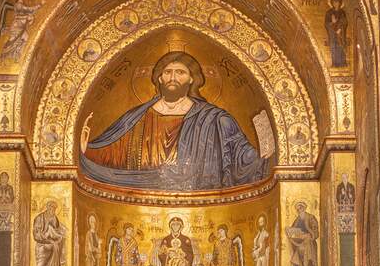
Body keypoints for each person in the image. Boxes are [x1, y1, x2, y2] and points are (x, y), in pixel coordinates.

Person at [81, 51, 272, 191]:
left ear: (191, 79)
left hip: (203, 197)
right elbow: (113, 152)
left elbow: (243, 159)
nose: (173, 77)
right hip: (140, 187)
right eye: (167, 72)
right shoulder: (138, 116)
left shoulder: (215, 119)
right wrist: (85, 149)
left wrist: (266, 157)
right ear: (159, 79)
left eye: (180, 72)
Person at [32, 201, 67, 266]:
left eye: (54, 209)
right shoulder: (39, 218)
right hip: (42, 246)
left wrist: (59, 235)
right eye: (51, 208)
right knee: (41, 265)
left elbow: (57, 230)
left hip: (53, 246)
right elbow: (36, 234)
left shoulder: (54, 219)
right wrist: (46, 237)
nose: (53, 210)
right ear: (47, 207)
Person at [287, 202, 319, 266]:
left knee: (307, 260)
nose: (299, 210)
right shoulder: (297, 219)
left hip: (309, 243)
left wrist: (309, 235)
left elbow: (316, 231)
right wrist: (290, 232)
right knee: (296, 258)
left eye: (300, 208)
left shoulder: (311, 217)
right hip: (300, 243)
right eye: (297, 209)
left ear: (304, 208)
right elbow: (293, 230)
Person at [324, 0, 349, 67]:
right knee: (333, 46)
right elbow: (326, 24)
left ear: (340, 3)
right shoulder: (329, 13)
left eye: (337, 2)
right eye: (334, 2)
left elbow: (345, 22)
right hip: (332, 34)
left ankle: (343, 63)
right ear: (332, 3)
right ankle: (334, 63)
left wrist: (340, 29)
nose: (336, 4)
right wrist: (332, 22)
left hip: (341, 34)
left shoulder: (342, 12)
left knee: (340, 46)